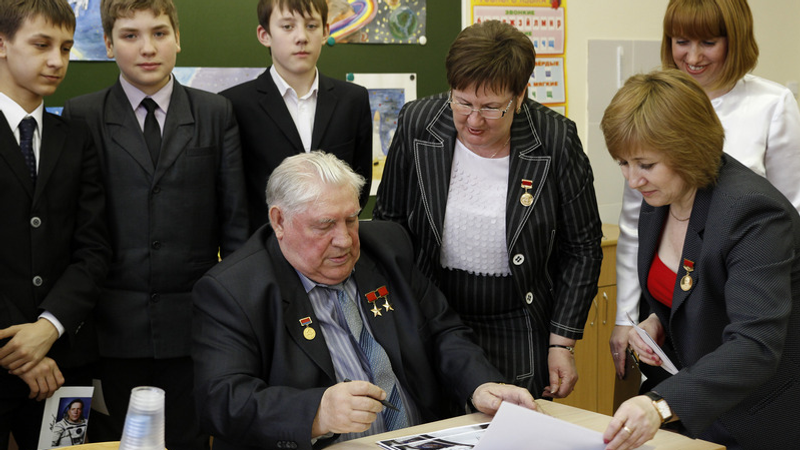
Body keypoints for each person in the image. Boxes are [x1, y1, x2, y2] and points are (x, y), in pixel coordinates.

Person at [192, 151, 540, 450]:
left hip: (420, 439)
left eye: (351, 219)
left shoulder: (388, 248)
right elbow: (221, 400)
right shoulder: (233, 290)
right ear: (279, 221)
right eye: (324, 225)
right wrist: (317, 412)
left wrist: (480, 385)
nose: (344, 240)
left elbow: (443, 332)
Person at [373, 20, 603, 399]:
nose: (474, 120)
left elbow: (582, 248)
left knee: (513, 419)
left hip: (517, 318)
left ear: (520, 95)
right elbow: (389, 223)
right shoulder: (418, 123)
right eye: (462, 102)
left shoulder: (555, 139)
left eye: (492, 107)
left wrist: (562, 342)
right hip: (433, 313)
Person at [61, 0, 249, 448]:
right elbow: (71, 230)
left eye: (159, 33)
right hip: (109, 332)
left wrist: (235, 325)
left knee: (188, 440)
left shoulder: (215, 113)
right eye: (130, 35)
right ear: (108, 44)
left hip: (194, 329)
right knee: (111, 442)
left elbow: (235, 228)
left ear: (178, 38)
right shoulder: (82, 115)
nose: (147, 48)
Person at [599, 69, 800, 450]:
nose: (632, 180)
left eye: (645, 165)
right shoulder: (661, 197)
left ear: (688, 149)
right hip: (693, 409)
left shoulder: (754, 214)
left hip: (755, 419)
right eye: (623, 163)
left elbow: (755, 344)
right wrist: (656, 321)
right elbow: (692, 292)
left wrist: (661, 405)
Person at [609, 0, 800, 378]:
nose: (693, 57)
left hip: (743, 311)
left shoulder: (771, 104)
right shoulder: (651, 108)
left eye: (708, 43)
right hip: (676, 328)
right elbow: (635, 224)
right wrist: (629, 316)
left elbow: (790, 208)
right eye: (682, 41)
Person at [0, 1, 110, 449]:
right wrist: (20, 350)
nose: (57, 61)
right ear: (2, 44)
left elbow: (94, 250)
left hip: (63, 362)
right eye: (41, 45)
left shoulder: (75, 138)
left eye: (65, 48)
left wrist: (49, 327)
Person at [220, 0, 372, 232]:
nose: (301, 37)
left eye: (311, 26)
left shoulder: (353, 100)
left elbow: (360, 186)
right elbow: (232, 197)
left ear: (325, 32)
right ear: (264, 35)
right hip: (264, 245)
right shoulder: (234, 105)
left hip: (335, 242)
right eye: (287, 26)